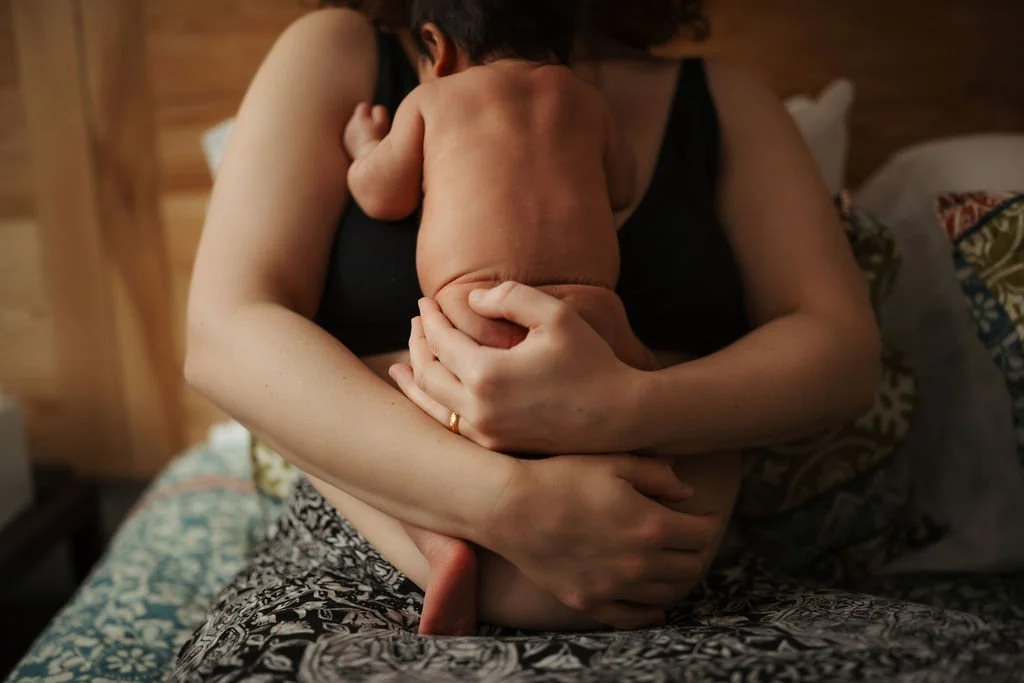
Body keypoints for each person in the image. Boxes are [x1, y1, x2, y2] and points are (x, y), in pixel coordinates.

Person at [176, 0, 879, 674]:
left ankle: (451, 540)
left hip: (706, 611)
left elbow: (843, 355)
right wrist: (509, 502)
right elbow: (222, 334)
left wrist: (624, 405)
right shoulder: (341, 52)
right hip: (366, 586)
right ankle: (449, 533)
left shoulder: (723, 100)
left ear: (440, 45)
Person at [342, 0, 676, 636]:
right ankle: (637, 523)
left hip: (473, 322)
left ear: (435, 48)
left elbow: (380, 196)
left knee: (383, 413)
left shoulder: (432, 101)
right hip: (591, 324)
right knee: (629, 422)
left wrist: (366, 147)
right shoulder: (583, 98)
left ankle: (442, 546)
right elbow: (624, 186)